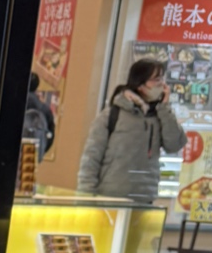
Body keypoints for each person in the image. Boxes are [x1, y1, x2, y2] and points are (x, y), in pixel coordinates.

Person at [77, 58, 185, 202]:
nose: (162, 84)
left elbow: (174, 145)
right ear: (140, 84)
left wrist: (164, 107)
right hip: (110, 197)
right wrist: (85, 196)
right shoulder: (112, 114)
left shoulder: (160, 115)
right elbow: (91, 156)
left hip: (145, 198)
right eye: (156, 79)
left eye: (162, 79)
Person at [24, 71, 55, 156]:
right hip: (32, 153)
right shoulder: (45, 110)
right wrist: (41, 152)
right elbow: (50, 135)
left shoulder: (14, 102)